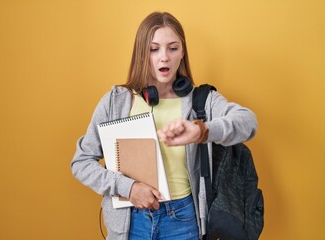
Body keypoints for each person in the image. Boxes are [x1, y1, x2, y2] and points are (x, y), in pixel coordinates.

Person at [71, 12, 257, 240]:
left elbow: (248, 122)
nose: (164, 58)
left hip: (184, 220)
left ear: (182, 53)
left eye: (172, 48)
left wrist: (202, 131)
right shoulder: (115, 101)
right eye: (154, 49)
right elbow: (81, 162)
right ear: (142, 53)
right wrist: (127, 188)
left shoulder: (201, 101)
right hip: (130, 223)